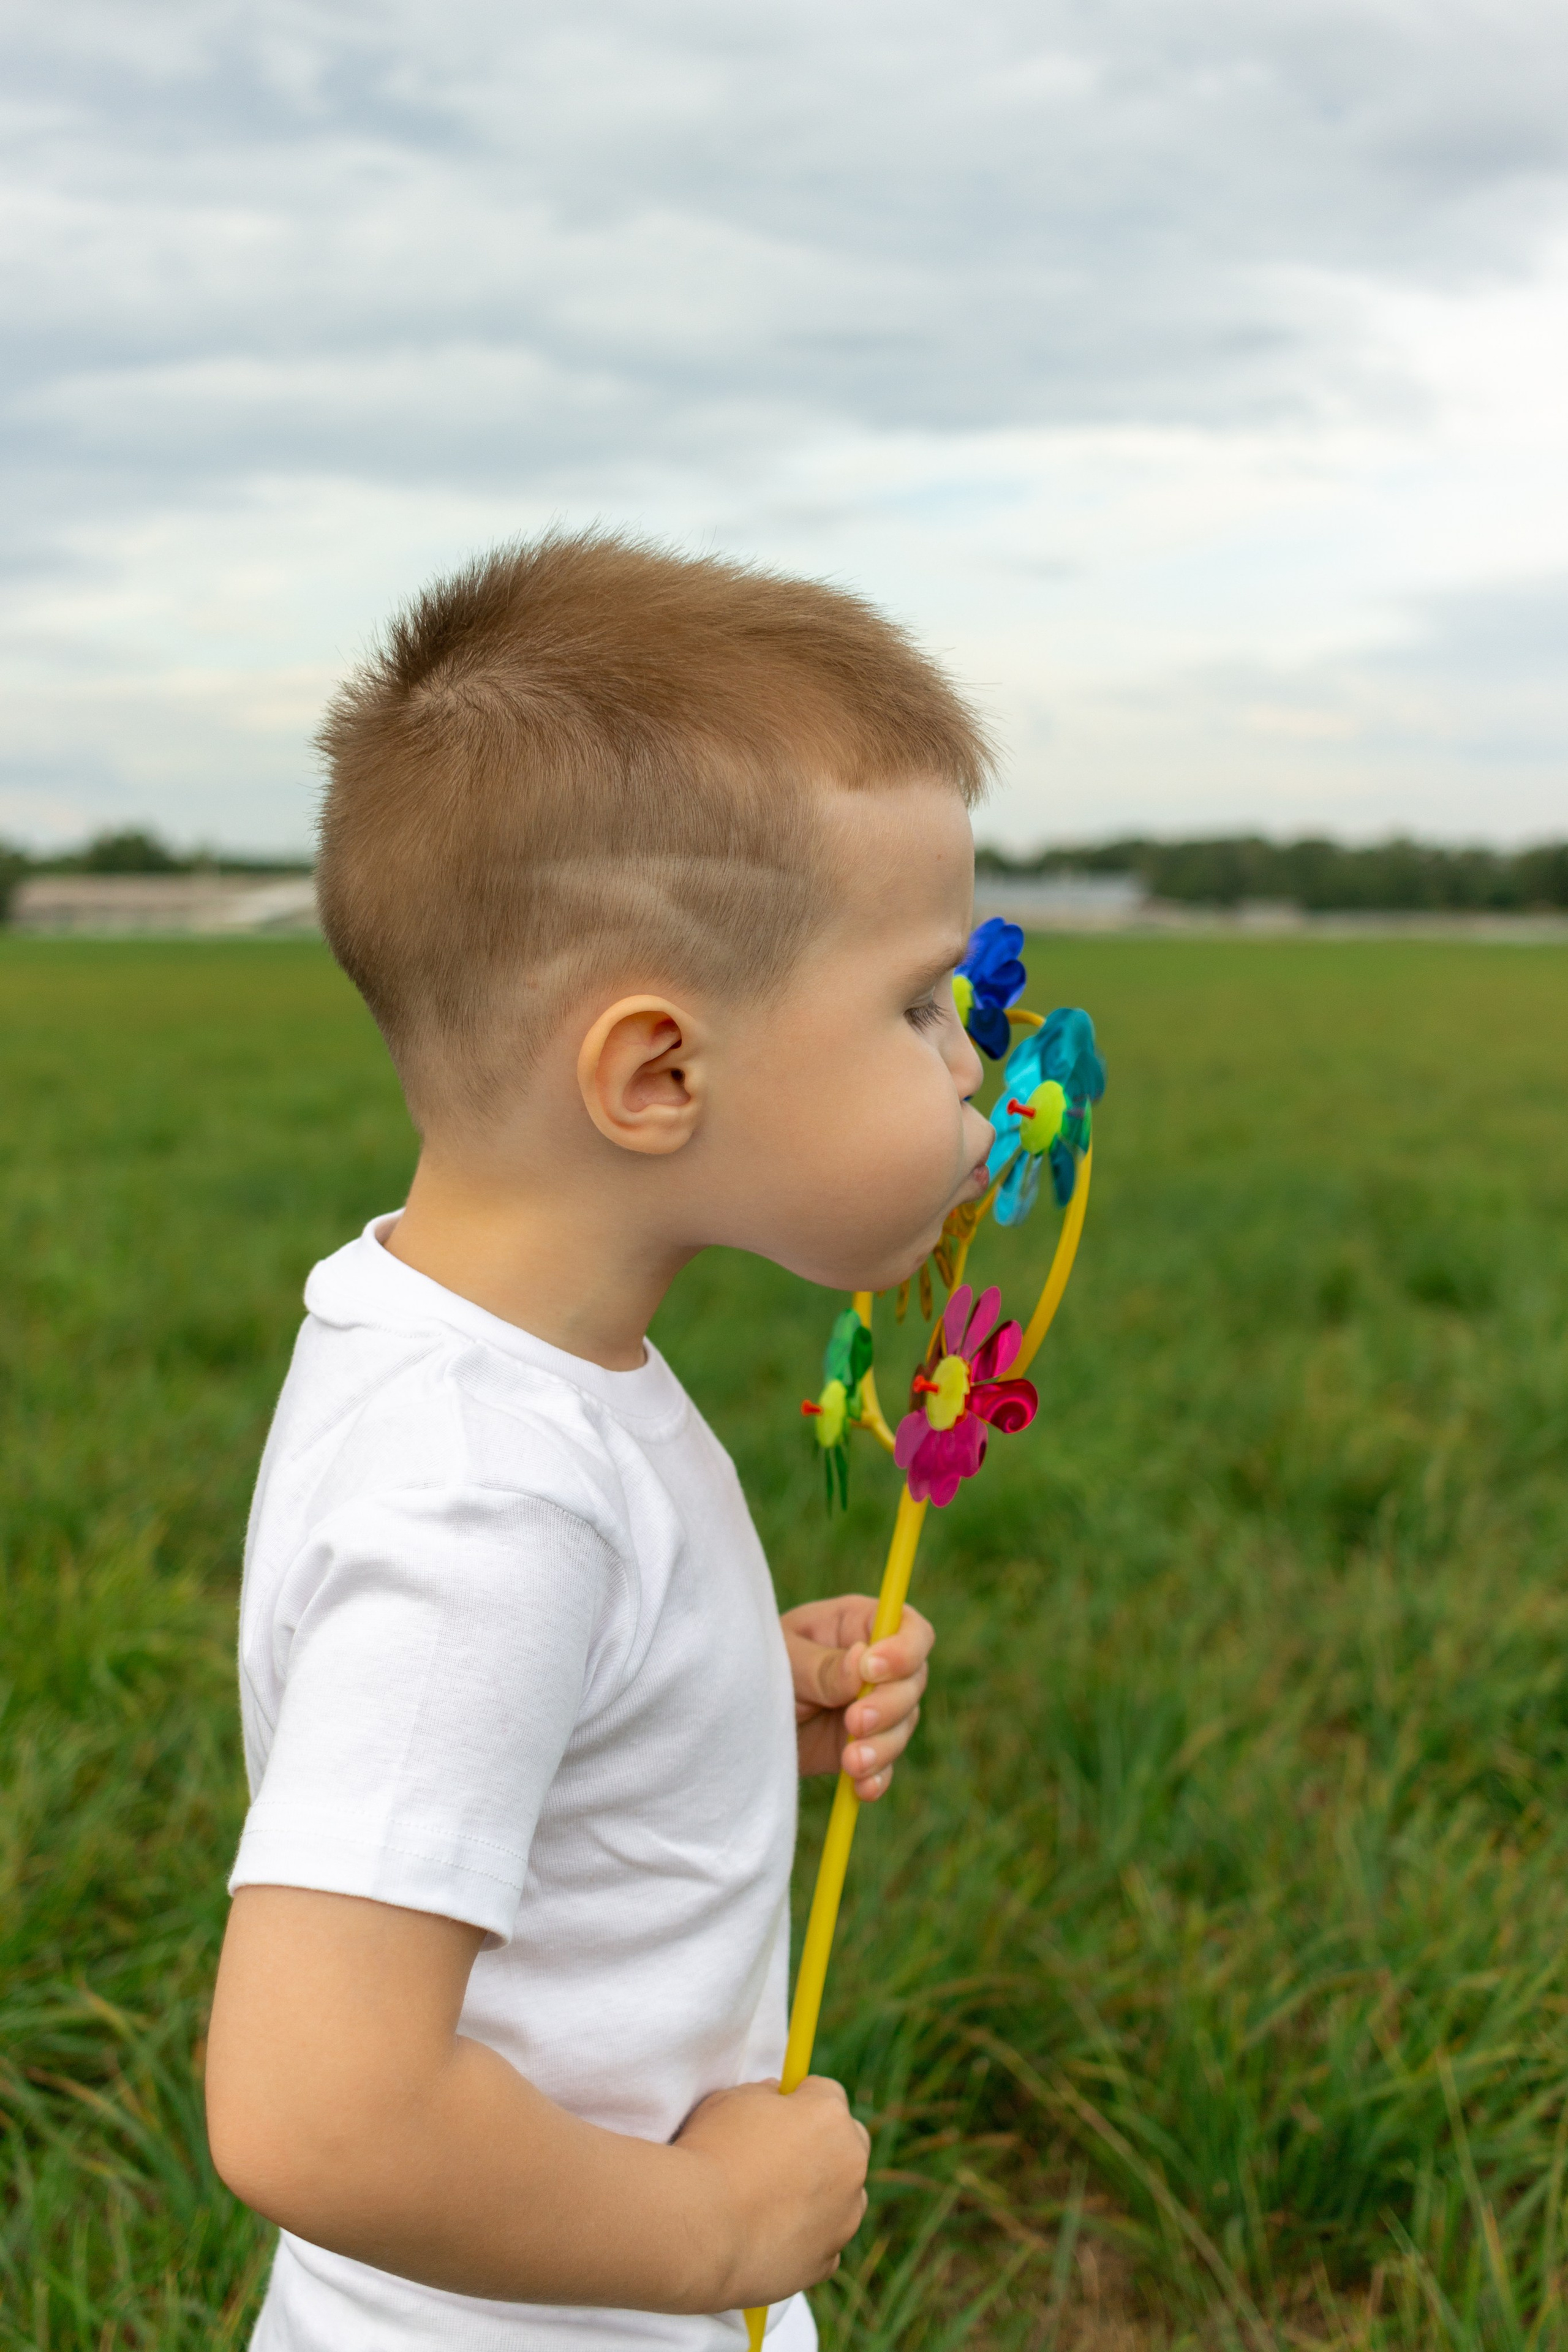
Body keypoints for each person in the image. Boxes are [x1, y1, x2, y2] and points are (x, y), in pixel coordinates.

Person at [204, 533, 997, 2350]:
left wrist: (708, 1690)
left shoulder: (496, 1365)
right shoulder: (490, 1496)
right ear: (658, 1076)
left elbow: (493, 1733)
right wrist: (714, 2231)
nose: (969, 1064)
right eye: (916, 1001)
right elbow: (317, 2108)